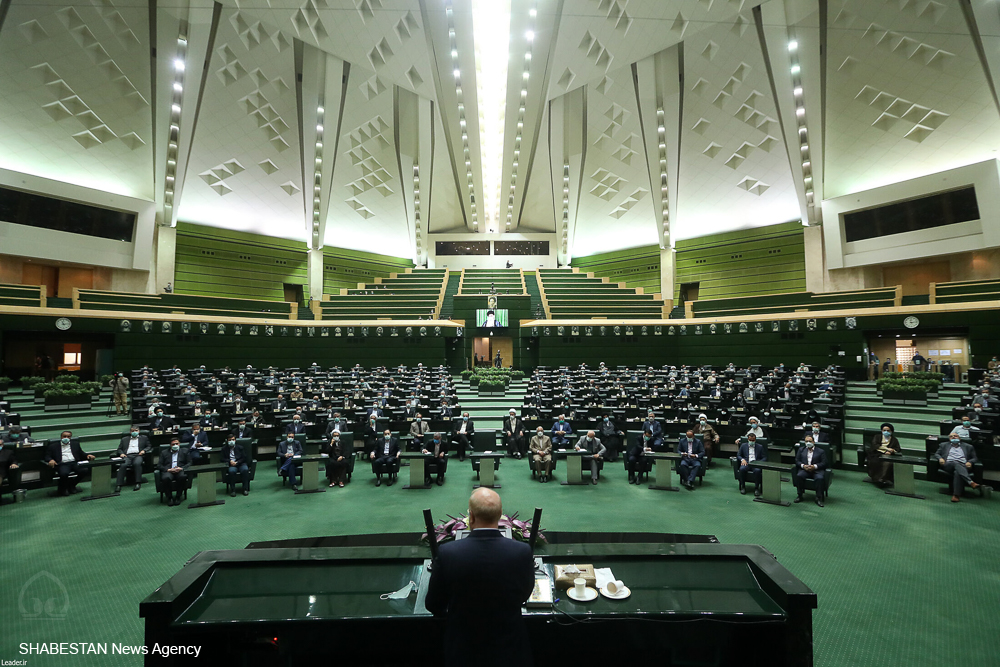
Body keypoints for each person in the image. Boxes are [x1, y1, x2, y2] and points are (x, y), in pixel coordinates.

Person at [425, 488, 534, 666]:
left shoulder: (448, 553)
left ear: (471, 517)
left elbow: (433, 605)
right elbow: (524, 595)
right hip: (509, 650)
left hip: (464, 652)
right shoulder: (521, 551)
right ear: (500, 516)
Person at [45, 431, 94, 496]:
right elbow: (47, 456)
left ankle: (72, 485)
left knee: (84, 470)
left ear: (70, 437)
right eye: (64, 436)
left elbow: (81, 453)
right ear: (61, 437)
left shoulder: (75, 444)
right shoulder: (53, 446)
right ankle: (63, 489)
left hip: (74, 462)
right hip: (63, 463)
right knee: (64, 473)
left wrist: (88, 455)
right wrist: (50, 460)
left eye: (68, 436)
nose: (66, 438)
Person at [934, 435, 981, 502]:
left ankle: (956, 495)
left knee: (957, 472)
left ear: (959, 438)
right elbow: (936, 454)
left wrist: (970, 462)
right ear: (949, 439)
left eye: (955, 436)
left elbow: (975, 458)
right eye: (951, 436)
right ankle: (970, 482)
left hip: (964, 465)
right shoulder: (943, 445)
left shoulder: (968, 446)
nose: (953, 437)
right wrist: (940, 458)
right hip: (949, 465)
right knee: (955, 463)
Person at [114, 426, 149, 493]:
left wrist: (144, 451)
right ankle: (119, 484)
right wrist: (121, 453)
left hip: (138, 455)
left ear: (138, 431)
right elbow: (119, 449)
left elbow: (149, 446)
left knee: (137, 463)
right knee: (123, 465)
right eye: (132, 431)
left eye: (136, 430)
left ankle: (138, 483)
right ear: (130, 432)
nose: (134, 432)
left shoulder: (144, 438)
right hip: (127, 456)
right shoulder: (124, 439)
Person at [794, 437, 827, 507]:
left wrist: (814, 466)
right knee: (799, 476)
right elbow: (797, 461)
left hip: (816, 470)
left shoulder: (821, 451)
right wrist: (803, 466)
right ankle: (800, 495)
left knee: (820, 478)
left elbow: (824, 463)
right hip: (805, 470)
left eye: (810, 441)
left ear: (814, 442)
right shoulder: (801, 450)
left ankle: (818, 498)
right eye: (806, 441)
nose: (808, 442)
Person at [158, 438, 190, 507]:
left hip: (180, 470)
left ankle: (178, 496)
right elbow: (159, 465)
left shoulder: (185, 451)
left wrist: (181, 468)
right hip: (169, 470)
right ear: (170, 445)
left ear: (179, 444)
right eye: (173, 444)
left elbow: (189, 463)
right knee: (166, 478)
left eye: (177, 444)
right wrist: (168, 470)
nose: (175, 445)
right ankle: (169, 498)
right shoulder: (164, 452)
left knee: (182, 477)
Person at [867, 423, 900, 487]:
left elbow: (897, 449)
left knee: (888, 463)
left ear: (891, 431)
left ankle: (882, 478)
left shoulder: (894, 440)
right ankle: (877, 479)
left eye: (888, 430)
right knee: (876, 462)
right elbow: (875, 445)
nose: (886, 432)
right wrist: (886, 450)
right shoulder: (877, 436)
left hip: (888, 455)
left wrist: (892, 451)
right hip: (876, 454)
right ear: (881, 431)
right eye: (884, 430)